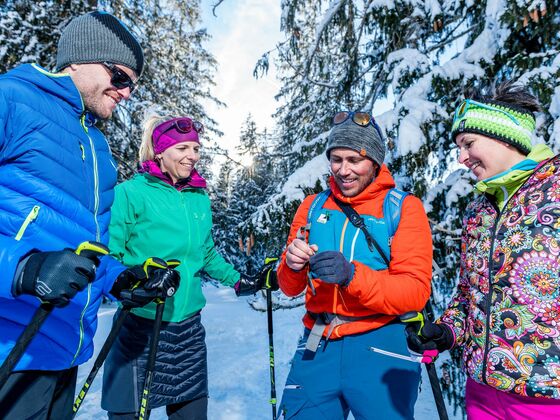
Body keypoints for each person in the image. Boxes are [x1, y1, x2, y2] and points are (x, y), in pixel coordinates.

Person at [0, 11, 180, 418]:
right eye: (119, 76)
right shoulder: (12, 99)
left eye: (132, 83)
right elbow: (38, 261)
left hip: (62, 356)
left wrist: (121, 279)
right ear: (79, 59)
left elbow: (82, 247)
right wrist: (21, 268)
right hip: (10, 348)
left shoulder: (96, 148)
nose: (127, 92)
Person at [101, 113, 277, 419]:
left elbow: (205, 253)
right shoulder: (130, 194)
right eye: (183, 148)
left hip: (188, 330)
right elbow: (110, 254)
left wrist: (239, 280)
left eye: (195, 149)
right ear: (160, 151)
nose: (192, 156)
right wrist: (131, 282)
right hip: (141, 325)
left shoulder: (198, 198)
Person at [406, 81, 560, 418]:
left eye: (468, 144)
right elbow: (468, 295)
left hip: (547, 398)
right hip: (483, 392)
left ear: (504, 136)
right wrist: (446, 331)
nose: (461, 158)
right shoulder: (478, 211)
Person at [276, 111, 433, 419]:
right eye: (336, 159)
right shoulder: (312, 207)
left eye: (354, 160)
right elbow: (289, 287)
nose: (343, 170)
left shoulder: (402, 208)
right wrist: (292, 265)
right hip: (317, 339)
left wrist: (352, 275)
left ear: (374, 162)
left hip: (380, 340)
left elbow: (414, 292)